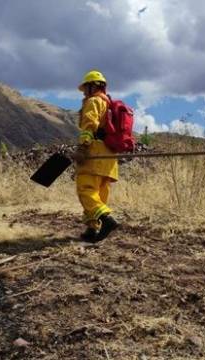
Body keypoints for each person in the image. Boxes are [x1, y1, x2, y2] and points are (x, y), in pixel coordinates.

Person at [73, 70, 119, 243]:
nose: (84, 92)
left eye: (86, 88)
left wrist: (83, 147)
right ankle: (92, 229)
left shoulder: (94, 102)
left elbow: (89, 125)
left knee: (85, 189)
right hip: (109, 155)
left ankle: (106, 220)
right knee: (99, 192)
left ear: (93, 86)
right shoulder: (110, 105)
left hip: (95, 152)